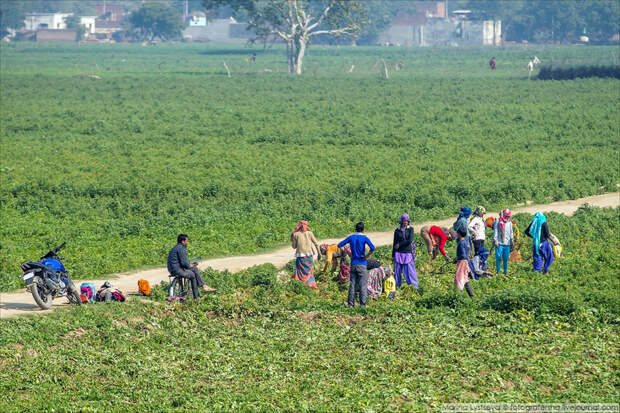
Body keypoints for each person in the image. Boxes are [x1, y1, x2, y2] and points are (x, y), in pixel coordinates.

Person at [338, 222, 375, 307]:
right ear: (363, 229)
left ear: (355, 229)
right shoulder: (365, 238)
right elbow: (372, 248)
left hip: (353, 263)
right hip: (362, 263)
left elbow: (340, 245)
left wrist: (348, 253)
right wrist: (366, 256)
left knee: (352, 285)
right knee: (363, 285)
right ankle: (363, 305)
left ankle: (351, 304)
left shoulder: (351, 237)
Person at [167, 234, 213, 299]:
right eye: (187, 241)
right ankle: (197, 297)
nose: (187, 243)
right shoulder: (181, 248)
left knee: (194, 268)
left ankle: (203, 286)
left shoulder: (175, 248)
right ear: (183, 241)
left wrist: (189, 265)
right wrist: (189, 265)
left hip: (172, 269)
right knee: (193, 275)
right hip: (178, 270)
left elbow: (181, 261)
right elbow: (183, 262)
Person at [291, 220, 320, 288]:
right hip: (309, 256)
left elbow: (294, 246)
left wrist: (293, 237)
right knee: (309, 270)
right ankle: (311, 284)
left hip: (300, 257)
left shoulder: (296, 234)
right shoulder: (310, 233)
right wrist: (319, 253)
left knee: (300, 271)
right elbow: (316, 244)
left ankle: (301, 284)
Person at [392, 213, 418, 289]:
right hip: (398, 253)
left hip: (407, 253)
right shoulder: (397, 230)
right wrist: (393, 255)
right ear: (402, 221)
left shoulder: (410, 229)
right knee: (397, 272)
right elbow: (394, 243)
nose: (405, 222)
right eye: (404, 221)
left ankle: (414, 287)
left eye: (407, 221)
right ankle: (397, 287)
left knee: (410, 272)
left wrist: (399, 244)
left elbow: (410, 240)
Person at [454, 227, 474, 298]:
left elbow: (463, 255)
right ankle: (472, 296)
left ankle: (458, 297)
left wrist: (457, 258)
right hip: (465, 262)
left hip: (462, 262)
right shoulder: (465, 242)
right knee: (465, 279)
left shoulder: (461, 243)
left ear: (459, 234)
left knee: (459, 278)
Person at [493, 209, 514, 275]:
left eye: (509, 216)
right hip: (499, 243)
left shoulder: (509, 223)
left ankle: (505, 272)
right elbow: (495, 231)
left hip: (507, 243)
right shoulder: (498, 222)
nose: (508, 217)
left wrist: (512, 241)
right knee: (499, 257)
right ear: (504, 215)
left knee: (506, 258)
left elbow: (511, 233)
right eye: (507, 216)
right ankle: (498, 272)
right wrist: (495, 240)